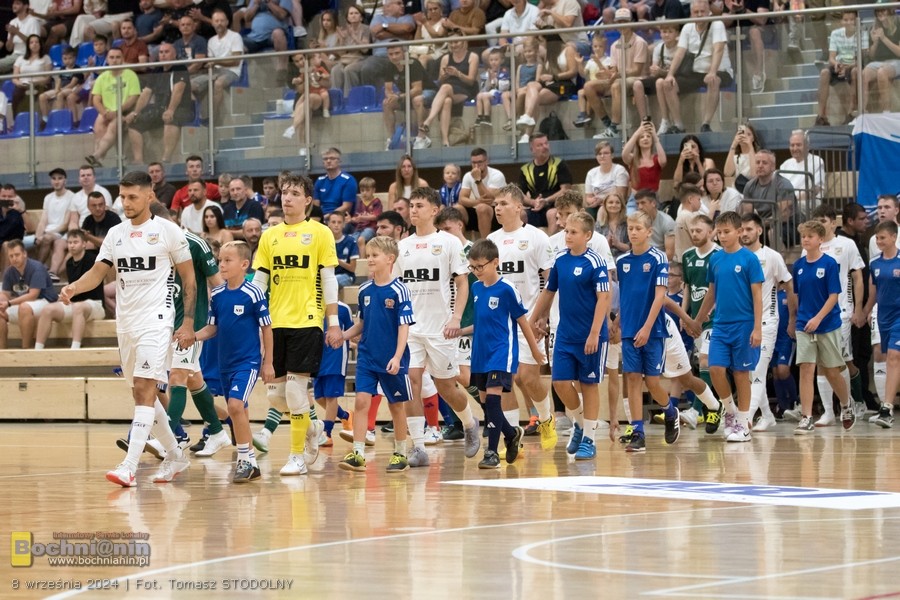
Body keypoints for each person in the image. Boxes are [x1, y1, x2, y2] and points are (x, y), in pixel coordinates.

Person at [60, 170, 197, 487]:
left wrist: (188, 321)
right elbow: (97, 274)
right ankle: (176, 455)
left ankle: (129, 466)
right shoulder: (115, 234)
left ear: (150, 195)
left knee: (146, 389)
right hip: (127, 324)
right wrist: (74, 288)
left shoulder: (167, 231)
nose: (127, 202)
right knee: (140, 392)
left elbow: (189, 279)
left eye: (133, 196)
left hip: (157, 321)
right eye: (123, 197)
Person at [250, 174, 342, 476]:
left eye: (294, 193)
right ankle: (314, 425)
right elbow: (259, 283)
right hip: (275, 323)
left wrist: (332, 323)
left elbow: (329, 280)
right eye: (284, 193)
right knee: (276, 396)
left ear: (308, 200)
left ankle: (297, 456)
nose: (286, 198)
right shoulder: (269, 236)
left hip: (307, 320)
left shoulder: (320, 233)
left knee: (294, 391)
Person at [397, 186, 482, 467]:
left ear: (434, 210)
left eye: (419, 205)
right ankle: (418, 446)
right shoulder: (402, 247)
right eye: (412, 205)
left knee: (447, 385)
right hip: (411, 328)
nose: (413, 210)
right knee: (412, 381)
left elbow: (461, 283)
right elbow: (397, 289)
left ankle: (470, 423)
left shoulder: (448, 242)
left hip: (441, 328)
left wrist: (456, 318)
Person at [530, 211, 609, 460]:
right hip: (565, 334)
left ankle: (589, 439)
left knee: (588, 385)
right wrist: (532, 319)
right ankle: (578, 423)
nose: (568, 236)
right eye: (566, 231)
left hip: (591, 335)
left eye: (573, 232)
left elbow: (604, 298)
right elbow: (549, 291)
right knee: (560, 383)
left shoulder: (595, 262)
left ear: (588, 235)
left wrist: (595, 333)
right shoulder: (561, 260)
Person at [196, 240, 273, 482]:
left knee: (235, 407)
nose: (222, 265)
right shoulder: (217, 295)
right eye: (220, 260)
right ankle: (250, 462)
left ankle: (243, 459)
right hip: (224, 364)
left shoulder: (254, 293)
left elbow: (267, 329)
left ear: (244, 264)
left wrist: (267, 362)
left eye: (227, 261)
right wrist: (193, 336)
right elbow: (212, 328)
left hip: (247, 362)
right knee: (239, 411)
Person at [488, 184, 558, 451]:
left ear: (519, 206)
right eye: (496, 204)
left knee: (528, 378)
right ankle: (511, 437)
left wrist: (542, 318)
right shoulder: (492, 240)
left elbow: (550, 281)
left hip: (528, 320)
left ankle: (546, 418)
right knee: (502, 383)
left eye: (504, 203)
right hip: (498, 324)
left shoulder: (537, 237)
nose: (498, 207)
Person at [339, 236, 415, 473]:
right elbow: (361, 323)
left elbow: (404, 327)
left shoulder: (400, 290)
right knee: (361, 401)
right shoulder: (364, 290)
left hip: (392, 358)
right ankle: (358, 453)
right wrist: (341, 336)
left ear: (390, 259)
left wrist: (397, 356)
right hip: (367, 357)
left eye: (374, 255)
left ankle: (400, 453)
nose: (369, 259)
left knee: (396, 405)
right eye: (368, 255)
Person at [465, 239, 536, 468]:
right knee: (487, 405)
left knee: (494, 401)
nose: (476, 272)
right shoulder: (476, 288)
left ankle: (492, 453)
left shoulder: (507, 289)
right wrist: (459, 331)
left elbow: (522, 321)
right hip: (480, 354)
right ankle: (511, 433)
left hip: (500, 353)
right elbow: (481, 322)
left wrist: (534, 348)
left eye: (480, 267)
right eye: (472, 267)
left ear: (495, 262)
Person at [694, 211, 764, 443]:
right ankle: (730, 411)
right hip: (720, 325)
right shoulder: (715, 259)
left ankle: (743, 425)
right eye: (720, 232)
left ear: (738, 231)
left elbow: (757, 295)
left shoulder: (749, 259)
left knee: (742, 373)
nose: (722, 236)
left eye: (727, 232)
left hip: (744, 325)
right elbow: (711, 293)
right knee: (714, 368)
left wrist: (757, 328)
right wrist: (698, 319)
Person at [615, 211, 679, 452]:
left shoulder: (658, 258)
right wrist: (618, 322)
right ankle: (637, 431)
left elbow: (660, 297)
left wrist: (647, 327)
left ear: (649, 231)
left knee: (651, 382)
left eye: (638, 228)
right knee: (631, 378)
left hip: (652, 330)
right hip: (629, 330)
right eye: (630, 228)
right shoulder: (622, 262)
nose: (633, 232)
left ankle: (671, 412)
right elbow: (628, 296)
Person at [791, 220, 855, 434]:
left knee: (831, 371)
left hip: (827, 324)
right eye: (803, 236)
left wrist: (818, 318)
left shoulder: (829, 263)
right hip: (804, 325)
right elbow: (799, 295)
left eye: (810, 236)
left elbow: (833, 296)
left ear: (820, 239)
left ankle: (846, 404)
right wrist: (799, 319)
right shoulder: (798, 266)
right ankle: (806, 416)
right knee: (806, 368)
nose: (806, 240)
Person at [807, 204, 866, 424]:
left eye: (823, 221)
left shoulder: (846, 244)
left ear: (833, 222)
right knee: (832, 361)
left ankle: (851, 404)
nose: (819, 226)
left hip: (840, 312)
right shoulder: (811, 245)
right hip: (815, 314)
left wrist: (858, 309)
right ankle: (831, 410)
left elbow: (858, 277)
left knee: (837, 361)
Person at [739, 212, 795, 431]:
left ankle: (745, 421)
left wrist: (791, 318)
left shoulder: (772, 256)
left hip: (768, 322)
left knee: (758, 371)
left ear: (760, 230)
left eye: (749, 229)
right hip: (744, 323)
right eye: (741, 229)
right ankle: (768, 415)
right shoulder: (737, 256)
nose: (744, 233)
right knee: (750, 373)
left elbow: (789, 285)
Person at [660, 0, 734, 134]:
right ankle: (678, 125)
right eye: (696, 12)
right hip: (696, 72)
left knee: (714, 80)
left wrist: (712, 72)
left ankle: (706, 123)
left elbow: (718, 49)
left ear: (709, 12)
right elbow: (680, 52)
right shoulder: (688, 27)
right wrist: (670, 74)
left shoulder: (717, 24)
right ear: (691, 14)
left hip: (720, 70)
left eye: (702, 12)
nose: (699, 15)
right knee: (668, 84)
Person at [34, 229, 104, 352]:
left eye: (75, 242)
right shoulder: (69, 263)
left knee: (78, 307)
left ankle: (74, 349)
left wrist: (73, 293)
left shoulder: (93, 260)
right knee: (48, 309)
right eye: (70, 242)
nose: (72, 245)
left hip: (95, 304)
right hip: (76, 305)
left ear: (84, 244)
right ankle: (37, 350)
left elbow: (91, 286)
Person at [681, 213, 720, 424]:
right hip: (695, 320)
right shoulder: (688, 256)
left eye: (699, 230)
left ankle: (695, 411)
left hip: (715, 318)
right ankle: (719, 408)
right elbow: (687, 287)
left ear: (711, 231)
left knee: (705, 360)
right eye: (692, 231)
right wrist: (684, 314)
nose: (695, 234)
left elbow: (720, 289)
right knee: (706, 365)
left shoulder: (719, 255)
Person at [126, 42, 191, 165]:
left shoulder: (180, 68)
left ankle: (166, 159)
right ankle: (138, 160)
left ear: (174, 54)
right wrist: (135, 112)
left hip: (181, 108)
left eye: (167, 52)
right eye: (161, 52)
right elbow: (146, 93)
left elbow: (178, 91)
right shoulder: (157, 70)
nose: (163, 55)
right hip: (160, 108)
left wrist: (171, 110)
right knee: (134, 124)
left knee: (171, 119)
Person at [863, 221, 900, 429]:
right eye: (877, 238)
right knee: (889, 360)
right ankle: (886, 408)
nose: (879, 242)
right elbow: (873, 293)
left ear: (894, 237)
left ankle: (886, 408)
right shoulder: (875, 264)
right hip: (883, 317)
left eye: (883, 238)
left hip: (899, 317)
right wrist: (866, 312)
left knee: (894, 357)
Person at [594, 9, 649, 140]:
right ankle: (607, 124)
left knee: (616, 85)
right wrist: (606, 73)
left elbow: (637, 70)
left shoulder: (640, 42)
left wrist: (616, 75)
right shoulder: (614, 45)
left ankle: (614, 128)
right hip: (620, 78)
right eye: (620, 22)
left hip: (637, 78)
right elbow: (613, 70)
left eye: (625, 21)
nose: (622, 25)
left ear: (631, 22)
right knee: (589, 87)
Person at [416, 34, 479, 149]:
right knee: (446, 101)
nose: (454, 45)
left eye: (456, 42)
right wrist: (444, 76)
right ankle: (445, 142)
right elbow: (440, 81)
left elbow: (471, 81)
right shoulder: (446, 58)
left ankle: (428, 121)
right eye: (451, 43)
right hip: (448, 89)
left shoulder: (472, 56)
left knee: (445, 88)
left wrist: (457, 74)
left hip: (465, 89)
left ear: (463, 41)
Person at [514, 35, 578, 145]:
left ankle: (527, 133)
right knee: (531, 85)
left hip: (564, 84)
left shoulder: (568, 49)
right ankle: (527, 116)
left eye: (542, 42)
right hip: (551, 82)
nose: (542, 45)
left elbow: (573, 71)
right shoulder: (549, 53)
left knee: (535, 99)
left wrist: (554, 77)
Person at [85, 47, 141, 168]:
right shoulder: (102, 77)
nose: (114, 60)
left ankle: (96, 155)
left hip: (125, 112)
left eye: (117, 57)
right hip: (107, 111)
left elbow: (134, 97)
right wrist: (104, 113)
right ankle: (98, 160)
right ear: (107, 59)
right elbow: (96, 99)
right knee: (99, 126)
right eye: (111, 57)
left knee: (112, 127)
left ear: (122, 59)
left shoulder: (131, 75)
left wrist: (117, 112)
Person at [0, 239, 60, 349]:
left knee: (24, 308)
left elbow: (33, 295)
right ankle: (2, 352)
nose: (14, 259)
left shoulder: (37, 268)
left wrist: (8, 303)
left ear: (24, 254)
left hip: (46, 301)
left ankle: (26, 349)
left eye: (17, 255)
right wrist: (2, 302)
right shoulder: (9, 271)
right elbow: (5, 294)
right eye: (11, 256)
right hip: (24, 303)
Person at [815, 11, 868, 126]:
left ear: (857, 21)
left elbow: (861, 58)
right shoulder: (835, 33)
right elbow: (831, 58)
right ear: (841, 21)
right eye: (845, 20)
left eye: (851, 19)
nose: (848, 22)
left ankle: (850, 113)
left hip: (855, 65)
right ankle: (821, 116)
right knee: (824, 72)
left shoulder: (862, 33)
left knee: (855, 72)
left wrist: (847, 67)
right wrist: (837, 65)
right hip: (839, 64)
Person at [382, 45, 435, 152]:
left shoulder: (413, 63)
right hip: (406, 94)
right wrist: (390, 97)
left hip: (429, 91)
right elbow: (388, 89)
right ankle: (392, 139)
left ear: (404, 53)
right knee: (386, 103)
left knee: (417, 99)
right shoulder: (389, 66)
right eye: (391, 54)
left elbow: (418, 89)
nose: (394, 57)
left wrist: (398, 96)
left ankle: (422, 137)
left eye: (397, 53)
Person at [518, 132, 573, 232]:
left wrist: (546, 201)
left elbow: (566, 190)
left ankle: (550, 247)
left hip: (556, 207)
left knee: (551, 214)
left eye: (546, 143)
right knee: (520, 214)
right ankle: (522, 246)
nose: (545, 147)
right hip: (535, 209)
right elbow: (520, 194)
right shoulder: (525, 169)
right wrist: (533, 202)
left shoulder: (559, 164)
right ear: (532, 149)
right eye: (540, 145)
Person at [742, 149, 797, 243]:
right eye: (757, 162)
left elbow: (782, 215)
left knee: (772, 232)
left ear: (773, 167)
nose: (760, 165)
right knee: (741, 232)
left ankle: (778, 258)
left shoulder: (783, 184)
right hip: (762, 224)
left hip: (788, 225)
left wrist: (759, 224)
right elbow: (747, 214)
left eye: (764, 163)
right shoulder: (749, 185)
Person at [636, 23, 679, 130]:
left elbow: (677, 71)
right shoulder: (659, 48)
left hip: (676, 77)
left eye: (670, 32)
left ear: (677, 34)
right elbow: (654, 70)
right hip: (661, 75)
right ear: (660, 33)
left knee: (660, 82)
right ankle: (644, 122)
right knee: (637, 84)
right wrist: (654, 70)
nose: (667, 35)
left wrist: (661, 71)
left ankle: (665, 120)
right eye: (664, 32)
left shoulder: (680, 48)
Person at [35, 168, 75, 281]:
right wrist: (37, 236)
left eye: (60, 178)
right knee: (33, 241)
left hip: (62, 232)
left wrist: (47, 233)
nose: (56, 181)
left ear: (65, 181)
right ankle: (39, 269)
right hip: (49, 232)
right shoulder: (48, 197)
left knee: (46, 238)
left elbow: (65, 224)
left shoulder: (71, 196)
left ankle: (36, 269)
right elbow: (43, 221)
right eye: (54, 179)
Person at [459, 147, 504, 239]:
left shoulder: (497, 175)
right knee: (457, 208)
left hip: (496, 211)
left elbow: (488, 198)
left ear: (487, 161)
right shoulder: (468, 176)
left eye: (479, 162)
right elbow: (462, 199)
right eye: (473, 163)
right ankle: (459, 244)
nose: (476, 166)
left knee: (482, 208)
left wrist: (478, 180)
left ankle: (485, 243)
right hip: (478, 209)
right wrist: (477, 201)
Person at [862, 4, 900, 114]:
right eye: (878, 11)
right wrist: (875, 42)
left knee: (882, 72)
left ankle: (886, 111)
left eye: (883, 10)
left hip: (896, 61)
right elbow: (872, 56)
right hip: (879, 62)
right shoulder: (874, 27)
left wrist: (883, 38)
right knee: (864, 74)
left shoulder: (898, 24)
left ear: (889, 10)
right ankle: (863, 112)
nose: (880, 13)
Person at [238, 0, 293, 76]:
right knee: (237, 43)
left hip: (272, 36)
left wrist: (268, 3)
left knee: (278, 33)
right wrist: (256, 5)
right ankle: (237, 77)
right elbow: (246, 18)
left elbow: (282, 15)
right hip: (254, 37)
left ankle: (282, 71)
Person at [622, 121, 667, 203]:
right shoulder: (633, 159)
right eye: (642, 137)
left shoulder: (656, 159)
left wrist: (655, 137)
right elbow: (624, 154)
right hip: (635, 199)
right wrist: (638, 132)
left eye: (648, 136)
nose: (645, 138)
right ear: (638, 142)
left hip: (652, 200)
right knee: (630, 215)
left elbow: (663, 161)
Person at [779, 129, 826, 207]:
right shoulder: (785, 164)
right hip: (787, 203)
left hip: (809, 202)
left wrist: (793, 201)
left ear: (807, 146)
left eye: (798, 145)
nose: (795, 148)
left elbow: (816, 189)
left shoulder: (816, 161)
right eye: (792, 145)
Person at [39, 46, 84, 122]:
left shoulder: (77, 68)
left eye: (70, 58)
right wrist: (57, 89)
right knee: (42, 96)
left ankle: (59, 119)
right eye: (65, 59)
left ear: (74, 58)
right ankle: (45, 120)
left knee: (60, 95)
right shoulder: (62, 69)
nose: (67, 61)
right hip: (61, 89)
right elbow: (58, 80)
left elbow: (72, 83)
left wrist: (60, 90)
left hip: (72, 89)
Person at [584, 141, 629, 217]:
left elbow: (621, 196)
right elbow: (588, 197)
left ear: (612, 155)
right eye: (599, 154)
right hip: (596, 206)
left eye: (606, 153)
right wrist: (592, 200)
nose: (602, 156)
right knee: (586, 215)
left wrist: (602, 200)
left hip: (615, 205)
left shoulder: (619, 170)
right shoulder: (591, 173)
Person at [10, 35, 52, 115]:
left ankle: (39, 122)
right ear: (28, 45)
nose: (34, 44)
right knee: (16, 94)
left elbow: (48, 78)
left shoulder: (46, 58)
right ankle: (18, 122)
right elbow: (14, 78)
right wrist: (19, 84)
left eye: (37, 42)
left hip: (40, 84)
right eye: (31, 42)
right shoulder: (20, 59)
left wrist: (34, 83)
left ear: (40, 44)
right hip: (23, 85)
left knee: (38, 94)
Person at [1, 0, 42, 75]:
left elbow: (34, 43)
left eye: (17, 3)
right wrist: (12, 36)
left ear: (26, 6)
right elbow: (9, 48)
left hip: (27, 55)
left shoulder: (33, 21)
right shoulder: (12, 22)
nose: (14, 6)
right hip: (14, 55)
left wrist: (17, 32)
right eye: (13, 3)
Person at [313, 148, 357, 217]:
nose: (328, 161)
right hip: (321, 218)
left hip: (341, 219)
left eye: (332, 158)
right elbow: (316, 206)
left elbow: (347, 207)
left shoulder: (348, 180)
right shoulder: (319, 181)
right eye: (325, 159)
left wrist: (328, 216)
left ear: (339, 161)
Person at [474, 47, 511, 128]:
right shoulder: (485, 73)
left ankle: (487, 118)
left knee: (485, 95)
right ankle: (480, 117)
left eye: (496, 60)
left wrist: (495, 80)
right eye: (491, 60)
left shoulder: (504, 71)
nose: (493, 62)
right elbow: (483, 89)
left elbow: (504, 87)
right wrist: (489, 79)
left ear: (502, 60)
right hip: (489, 93)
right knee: (479, 95)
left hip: (499, 94)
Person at [634, 190, 675, 257]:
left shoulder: (667, 221)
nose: (640, 207)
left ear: (653, 203)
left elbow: (669, 254)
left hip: (661, 260)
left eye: (643, 203)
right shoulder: (637, 220)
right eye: (637, 204)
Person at [723, 124, 761, 194]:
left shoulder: (759, 156)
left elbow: (754, 174)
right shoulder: (735, 157)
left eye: (749, 134)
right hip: (736, 191)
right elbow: (727, 173)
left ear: (753, 138)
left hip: (752, 190)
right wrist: (734, 144)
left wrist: (750, 146)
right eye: (742, 134)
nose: (744, 137)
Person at [673, 184, 703, 262]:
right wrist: (716, 230)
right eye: (699, 199)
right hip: (689, 260)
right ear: (690, 199)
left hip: (682, 258)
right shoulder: (688, 216)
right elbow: (699, 240)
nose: (700, 203)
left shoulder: (681, 215)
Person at [351, 177, 382, 253]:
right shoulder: (360, 203)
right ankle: (354, 260)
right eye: (362, 190)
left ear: (373, 190)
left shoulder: (376, 202)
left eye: (367, 190)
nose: (364, 193)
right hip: (359, 228)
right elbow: (356, 217)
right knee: (352, 240)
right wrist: (352, 219)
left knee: (361, 239)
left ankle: (362, 261)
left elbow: (376, 216)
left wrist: (363, 217)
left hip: (371, 228)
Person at [327, 211, 357, 287]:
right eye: (333, 222)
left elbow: (352, 268)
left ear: (344, 224)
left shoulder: (351, 241)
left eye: (339, 222)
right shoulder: (324, 241)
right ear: (328, 224)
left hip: (346, 276)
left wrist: (337, 261)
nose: (336, 225)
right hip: (328, 275)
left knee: (332, 282)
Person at [596, 192, 630, 258]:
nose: (614, 205)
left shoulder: (628, 223)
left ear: (622, 205)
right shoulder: (599, 224)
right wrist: (606, 244)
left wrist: (618, 244)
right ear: (605, 205)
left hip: (624, 259)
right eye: (610, 202)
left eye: (617, 202)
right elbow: (596, 247)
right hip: (604, 258)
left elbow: (632, 247)